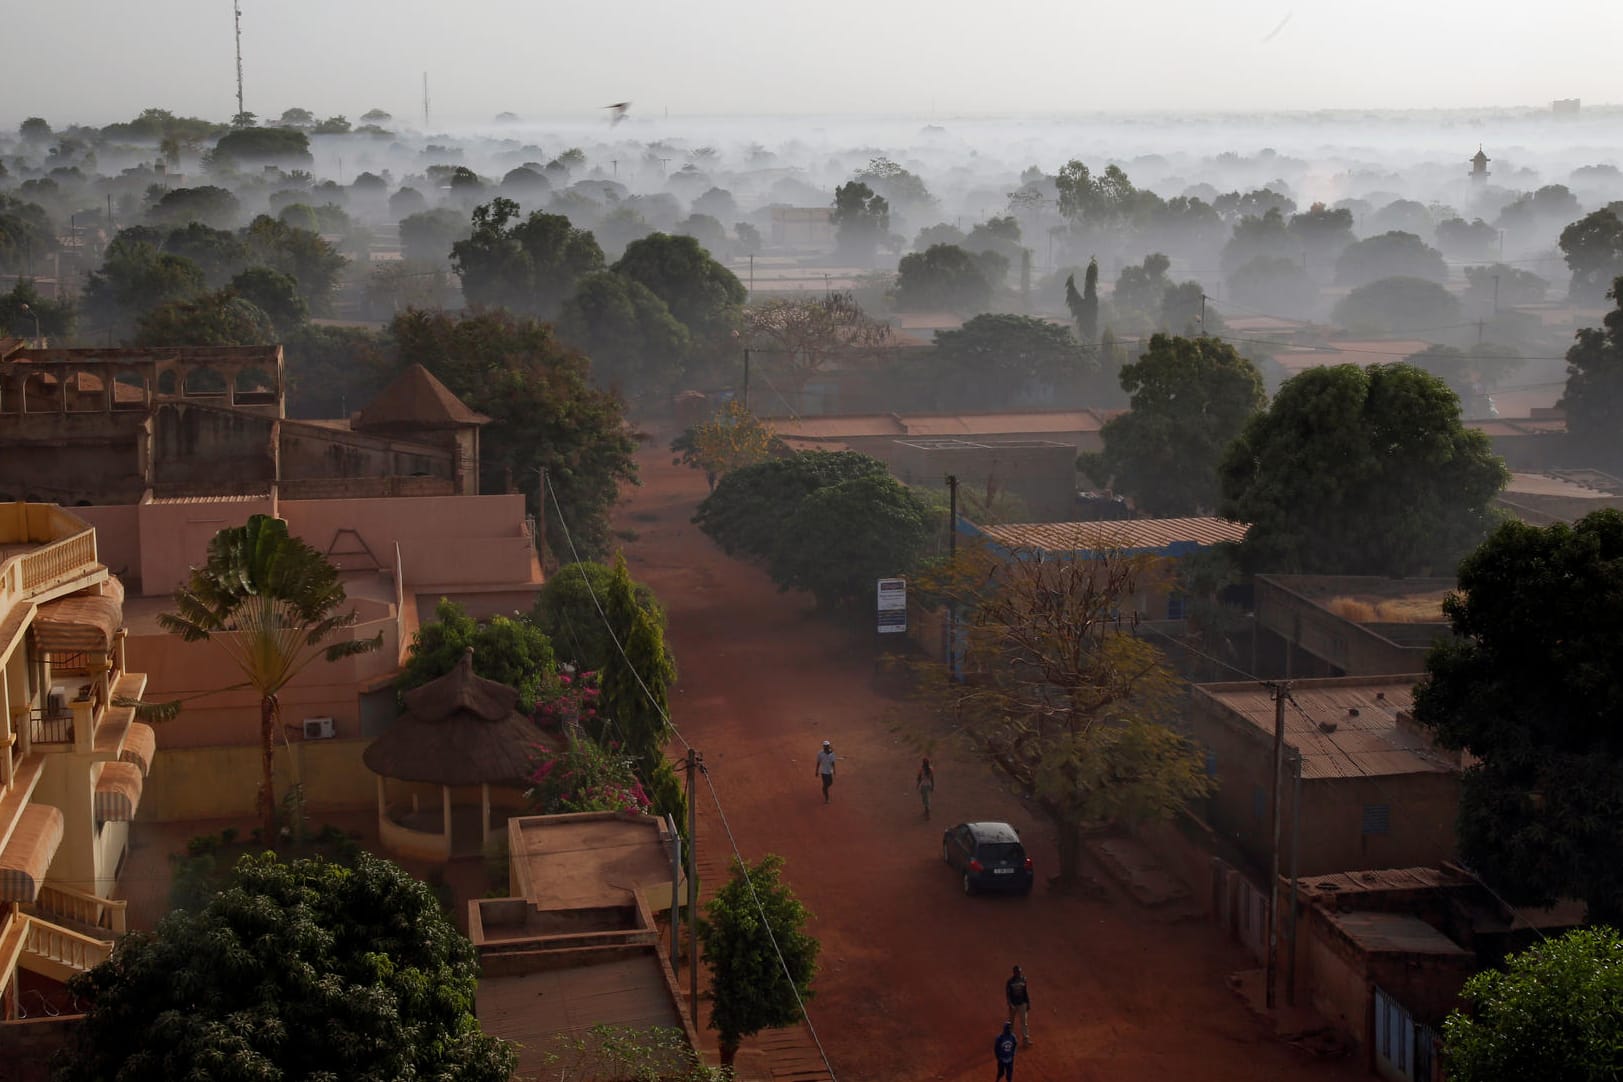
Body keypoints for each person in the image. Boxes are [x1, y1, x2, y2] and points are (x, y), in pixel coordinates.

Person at [1005, 965, 1031, 1046]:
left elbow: (1025, 992)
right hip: (1013, 1005)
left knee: (1024, 1022)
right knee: (1011, 1023)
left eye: (1020, 972)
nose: (1019, 973)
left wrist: (1028, 1003)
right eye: (1017, 972)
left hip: (1022, 1003)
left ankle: (1025, 1040)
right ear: (1014, 973)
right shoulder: (1010, 982)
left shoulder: (1024, 979)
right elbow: (1008, 995)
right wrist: (1010, 1004)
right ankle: (1009, 1040)